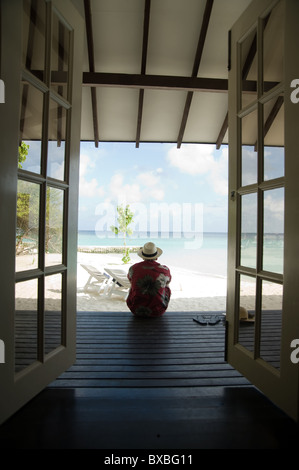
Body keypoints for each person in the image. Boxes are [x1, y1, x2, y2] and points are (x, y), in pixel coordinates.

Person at [126, 242, 172, 317]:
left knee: (133, 284)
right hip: (158, 311)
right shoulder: (164, 270)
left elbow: (130, 280)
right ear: (156, 257)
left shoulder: (133, 268)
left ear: (142, 257)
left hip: (136, 309)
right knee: (166, 285)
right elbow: (168, 281)